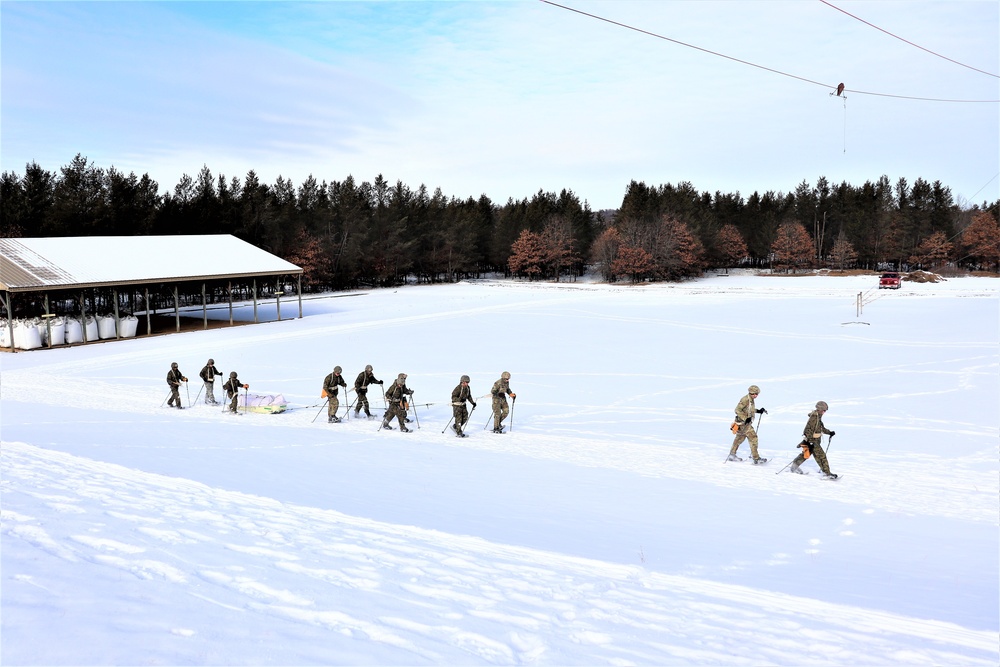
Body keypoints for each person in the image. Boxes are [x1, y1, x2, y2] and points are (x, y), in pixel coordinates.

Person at [788, 401, 837, 478]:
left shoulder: (818, 416)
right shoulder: (814, 418)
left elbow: (821, 428)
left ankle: (794, 467)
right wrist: (810, 442)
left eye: (825, 411)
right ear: (820, 409)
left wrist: (829, 432)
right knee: (822, 456)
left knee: (805, 455)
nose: (825, 412)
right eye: (824, 410)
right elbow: (807, 430)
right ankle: (827, 473)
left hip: (814, 441)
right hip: (813, 441)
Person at [728, 384, 768, 463]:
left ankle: (732, 455)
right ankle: (756, 458)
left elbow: (749, 409)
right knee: (753, 438)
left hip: (743, 423)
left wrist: (758, 411)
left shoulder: (751, 399)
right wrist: (745, 418)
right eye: (753, 394)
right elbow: (737, 410)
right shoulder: (745, 399)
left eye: (756, 394)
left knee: (739, 438)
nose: (755, 395)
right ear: (750, 393)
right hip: (743, 424)